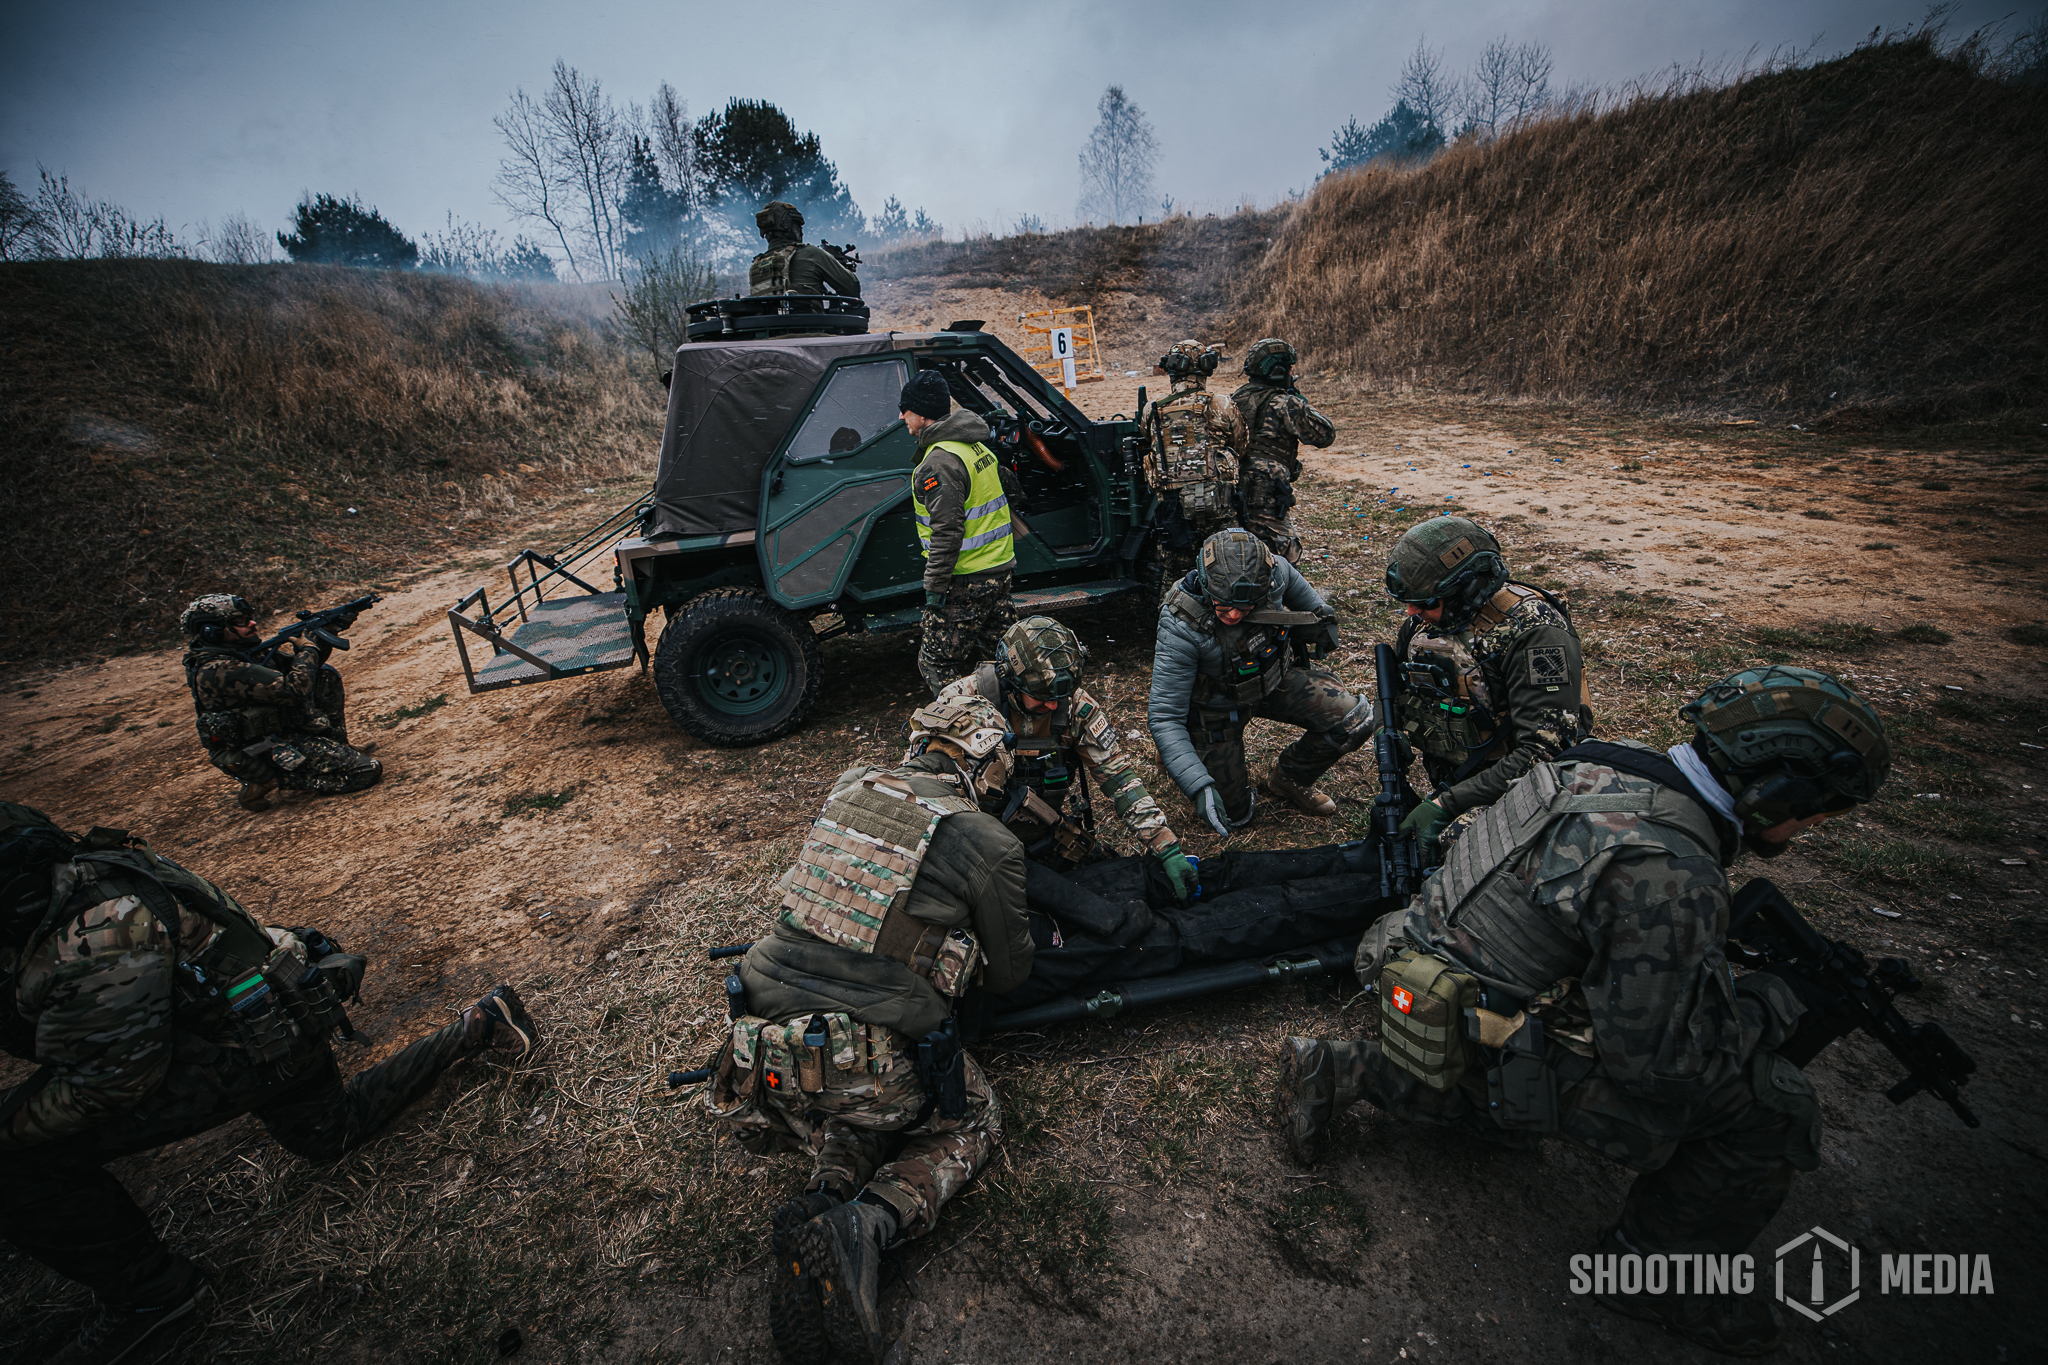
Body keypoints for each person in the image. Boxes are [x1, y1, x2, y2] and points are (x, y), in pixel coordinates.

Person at [1273, 666, 1893, 1357]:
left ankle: (1349, 1066)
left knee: (1513, 1064)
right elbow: (1660, 1065)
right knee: (1778, 1104)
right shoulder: (1672, 869)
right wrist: (1775, 1000)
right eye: (1818, 810)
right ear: (1782, 791)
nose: (1813, 825)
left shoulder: (1606, 760)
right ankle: (1651, 1274)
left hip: (1416, 973)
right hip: (1479, 1016)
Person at [0, 804, 540, 1365]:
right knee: (330, 1131)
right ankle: (479, 1024)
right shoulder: (88, 867)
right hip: (275, 1011)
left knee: (13, 1164)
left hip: (261, 1038)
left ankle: (150, 1297)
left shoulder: (97, 929)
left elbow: (111, 1085)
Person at [706, 696, 1031, 1365]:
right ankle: (868, 1223)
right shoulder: (987, 840)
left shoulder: (851, 779)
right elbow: (1009, 975)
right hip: (864, 1062)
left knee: (856, 1107)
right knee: (969, 1120)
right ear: (983, 762)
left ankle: (823, 1195)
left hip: (767, 1052)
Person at [938, 616, 1196, 898]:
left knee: (1111, 880)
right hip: (974, 843)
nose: (1051, 705)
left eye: (1059, 697)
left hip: (1040, 832)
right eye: (1041, 696)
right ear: (1010, 679)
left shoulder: (1075, 707)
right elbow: (924, 784)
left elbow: (1120, 780)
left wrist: (1166, 847)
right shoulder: (961, 703)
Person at [1379, 516, 1595, 851]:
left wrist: (1444, 805)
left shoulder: (1535, 632)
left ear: (1468, 589)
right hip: (1462, 780)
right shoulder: (1424, 626)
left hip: (1531, 786)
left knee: (1452, 850)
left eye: (1426, 603)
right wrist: (1386, 734)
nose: (1410, 612)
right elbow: (1394, 694)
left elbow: (1545, 753)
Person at [1147, 528, 1372, 832]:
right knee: (1235, 816)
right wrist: (1197, 785)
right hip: (1215, 711)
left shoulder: (1275, 573)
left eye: (1245, 607)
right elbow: (1164, 716)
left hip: (1272, 682)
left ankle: (1290, 778)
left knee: (1354, 718)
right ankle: (1185, 752)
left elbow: (1311, 604)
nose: (1234, 615)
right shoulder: (1180, 623)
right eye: (1223, 606)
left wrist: (1321, 621)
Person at [179, 593, 381, 812]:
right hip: (260, 748)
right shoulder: (218, 669)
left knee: (324, 675)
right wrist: (308, 648)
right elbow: (293, 690)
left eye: (249, 617)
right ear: (212, 630)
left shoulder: (241, 652)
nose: (252, 623)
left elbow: (303, 670)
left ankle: (339, 745)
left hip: (280, 730)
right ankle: (274, 780)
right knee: (366, 771)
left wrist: (328, 632)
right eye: (241, 621)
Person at [904, 371, 1018, 696]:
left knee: (937, 662)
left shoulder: (938, 462)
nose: (901, 416)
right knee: (1003, 658)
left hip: (967, 579)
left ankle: (969, 727)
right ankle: (1017, 720)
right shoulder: (973, 446)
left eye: (906, 409)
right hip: (999, 570)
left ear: (922, 414)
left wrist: (934, 590)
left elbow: (947, 531)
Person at [1143, 340, 1247, 582]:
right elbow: (1240, 446)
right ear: (1207, 368)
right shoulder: (1222, 404)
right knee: (1231, 569)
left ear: (1169, 370)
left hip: (1174, 509)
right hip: (1219, 505)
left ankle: (1174, 617)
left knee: (1176, 577)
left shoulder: (1152, 409)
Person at [1228, 338, 1334, 563]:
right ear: (1277, 370)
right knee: (1285, 563)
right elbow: (1325, 435)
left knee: (1241, 557)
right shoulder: (1285, 403)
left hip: (1235, 493)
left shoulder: (1234, 400)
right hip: (1266, 498)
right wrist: (1298, 399)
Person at [748, 201, 861, 299]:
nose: (801, 232)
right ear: (788, 226)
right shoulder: (811, 254)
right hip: (812, 324)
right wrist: (832, 263)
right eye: (798, 227)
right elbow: (852, 288)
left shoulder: (756, 266)